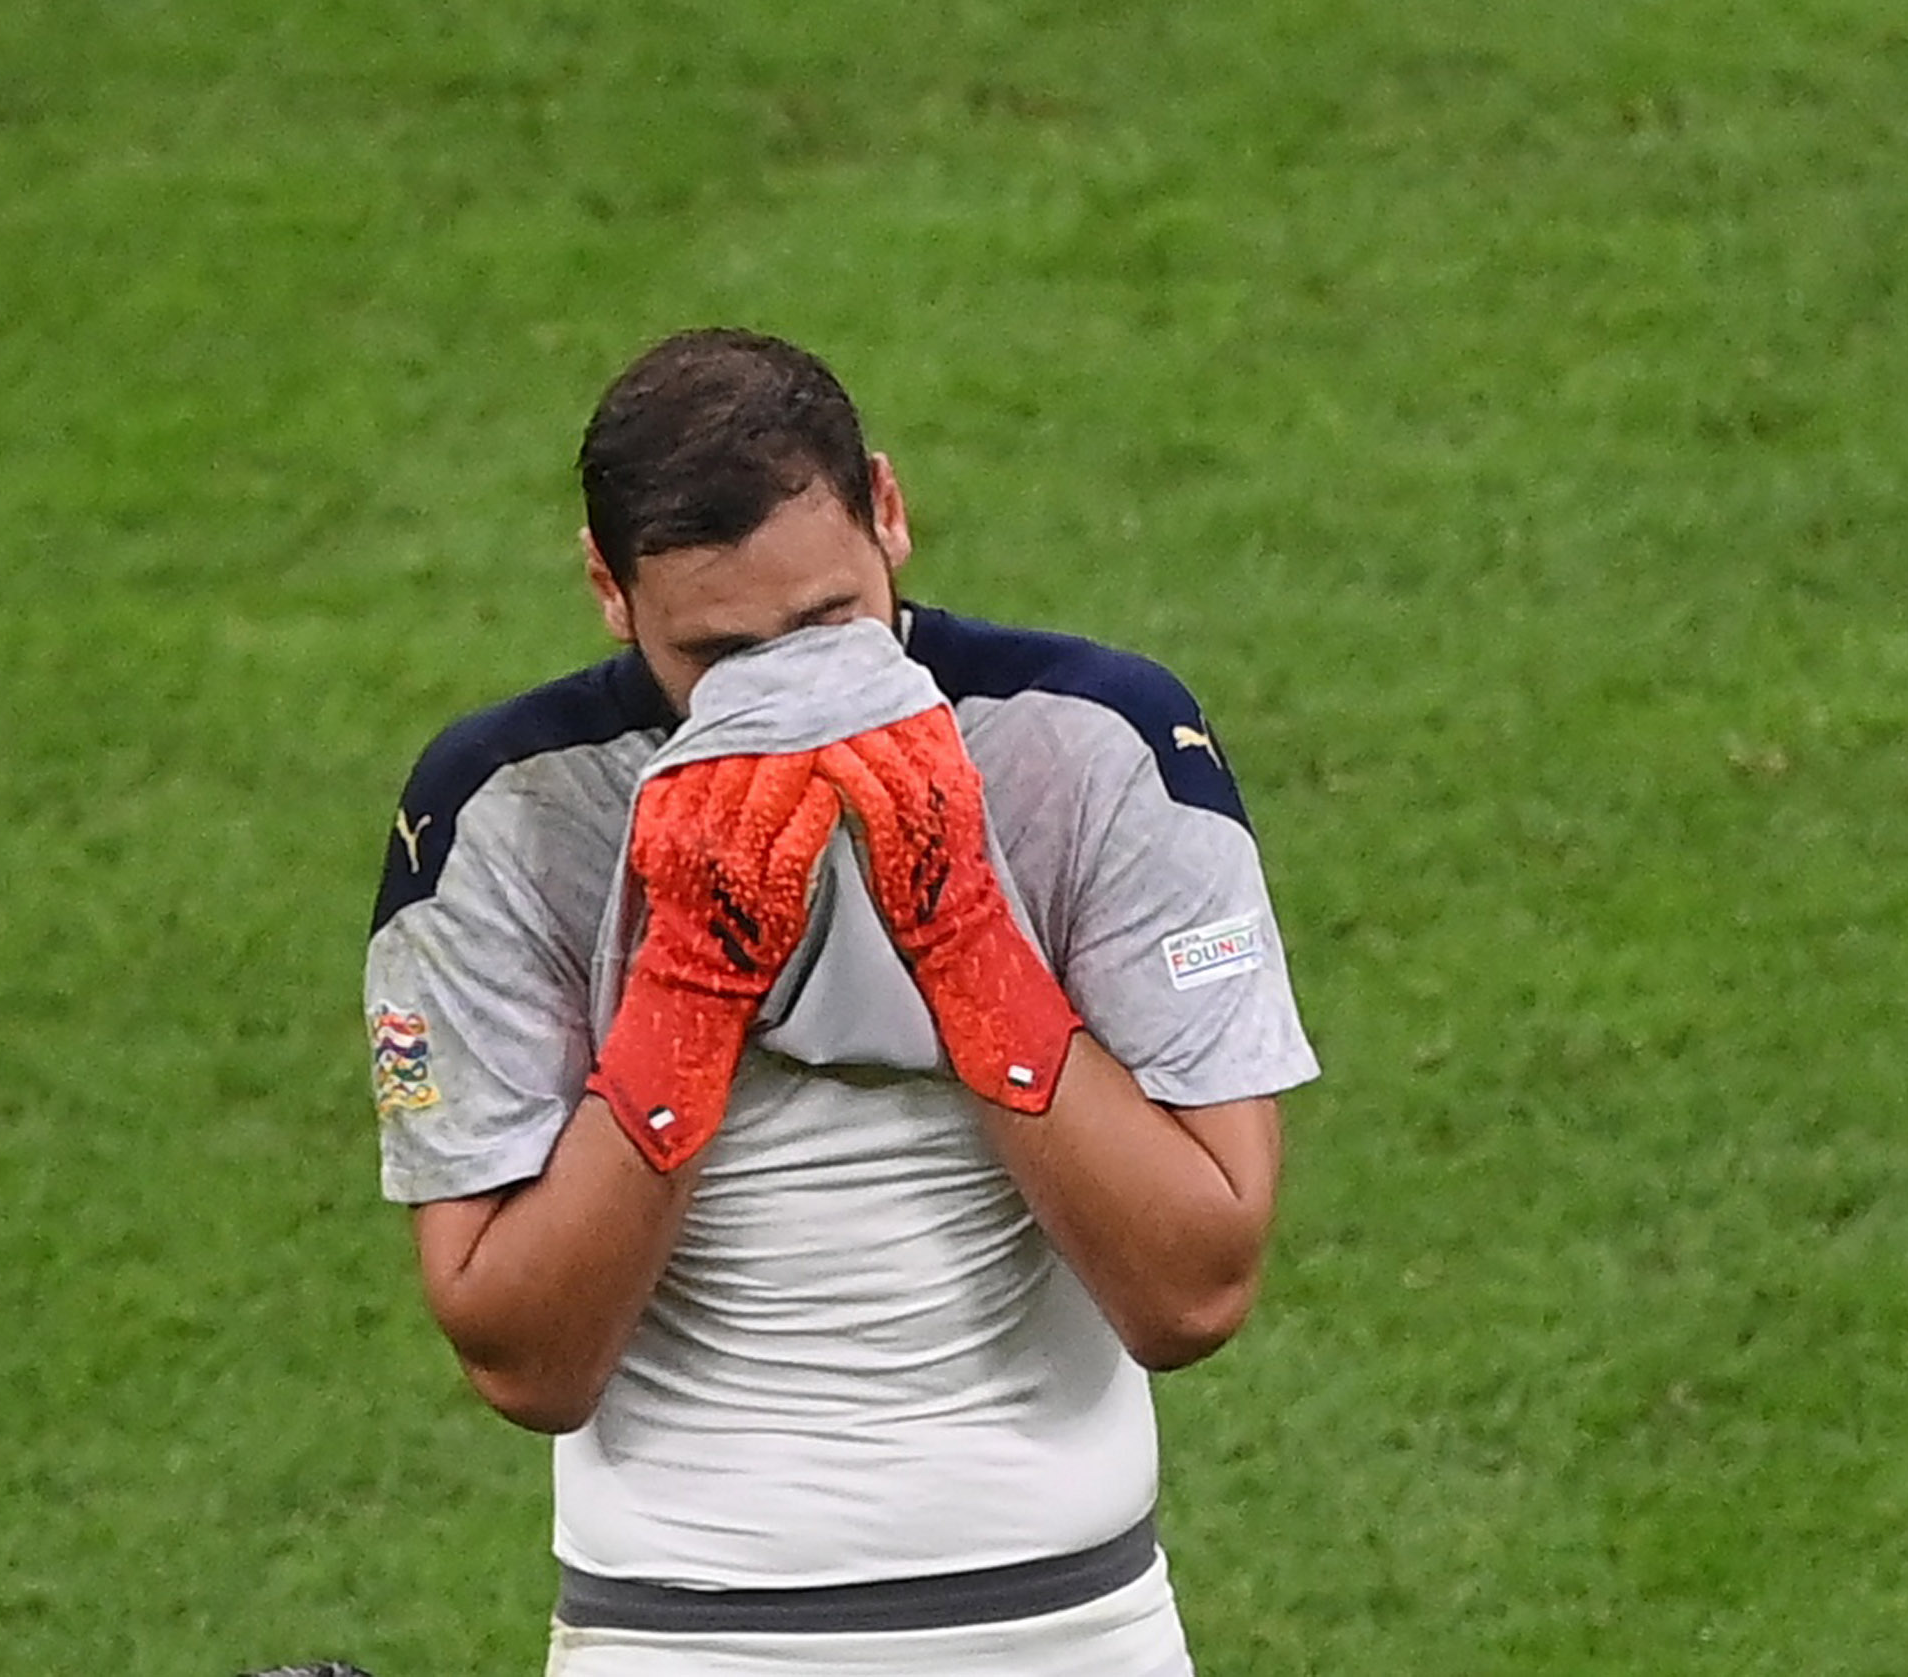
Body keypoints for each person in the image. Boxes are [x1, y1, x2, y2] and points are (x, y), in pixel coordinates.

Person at [362, 328, 1319, 1676]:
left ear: (888, 508)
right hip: (678, 1642)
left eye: (826, 625)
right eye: (719, 652)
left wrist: (966, 931)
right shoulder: (504, 814)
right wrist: (686, 986)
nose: (793, 699)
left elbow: (1195, 1287)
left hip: (1074, 1634)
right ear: (607, 589)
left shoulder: (1093, 745)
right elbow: (529, 1363)